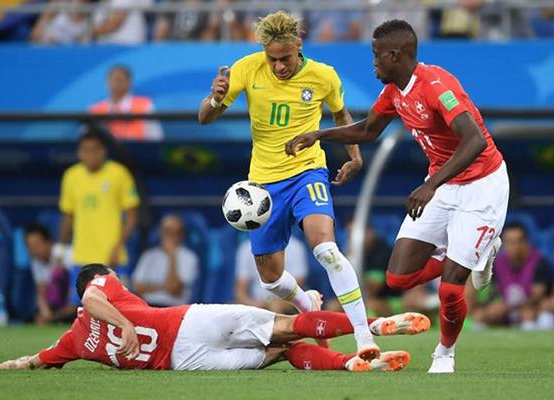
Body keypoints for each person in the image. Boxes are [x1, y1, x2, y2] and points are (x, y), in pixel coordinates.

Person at [285, 19, 509, 373]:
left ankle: (444, 354)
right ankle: (476, 254)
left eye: (376, 56)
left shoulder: (437, 85)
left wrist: (431, 185)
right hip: (443, 184)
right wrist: (318, 136)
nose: (373, 64)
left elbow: (475, 140)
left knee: (451, 290)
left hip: (482, 185)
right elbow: (368, 130)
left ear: (394, 55)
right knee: (398, 279)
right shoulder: (394, 91)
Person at [197, 10, 378, 360]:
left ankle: (364, 337)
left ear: (299, 44)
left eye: (285, 58)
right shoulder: (247, 68)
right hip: (263, 187)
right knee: (270, 278)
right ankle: (306, 303)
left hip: (308, 171)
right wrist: (215, 99)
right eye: (273, 59)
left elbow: (341, 115)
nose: (279, 66)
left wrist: (354, 156)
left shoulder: (323, 75)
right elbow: (205, 118)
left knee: (325, 249)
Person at [0, 264, 430, 372]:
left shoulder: (71, 343)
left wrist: (12, 365)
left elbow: (35, 361)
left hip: (184, 362)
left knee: (281, 352)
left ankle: (351, 364)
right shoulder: (102, 286)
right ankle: (370, 326)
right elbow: (92, 297)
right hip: (186, 323)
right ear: (101, 276)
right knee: (282, 330)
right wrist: (124, 324)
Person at [56, 130, 140, 305]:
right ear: (79, 153)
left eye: (94, 149)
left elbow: (132, 217)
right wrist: (60, 248)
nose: (90, 154)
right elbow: (68, 216)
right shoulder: (71, 176)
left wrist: (118, 247)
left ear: (103, 151)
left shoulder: (119, 173)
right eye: (85, 150)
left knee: (119, 306)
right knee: (81, 308)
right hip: (81, 256)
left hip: (113, 257)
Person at [472, 222, 553, 330]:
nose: (513, 246)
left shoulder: (539, 262)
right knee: (480, 315)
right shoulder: (497, 263)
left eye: (517, 242)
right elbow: (495, 292)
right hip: (506, 311)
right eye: (509, 242)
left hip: (531, 309)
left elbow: (536, 297)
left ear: (526, 242)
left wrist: (508, 307)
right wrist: (493, 307)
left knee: (532, 314)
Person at [131, 214, 199, 306]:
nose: (170, 235)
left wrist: (172, 255)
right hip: (148, 306)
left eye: (175, 232)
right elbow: (137, 287)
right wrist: (164, 286)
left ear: (182, 235)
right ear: (160, 232)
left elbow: (174, 289)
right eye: (167, 230)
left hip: (174, 308)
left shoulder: (190, 258)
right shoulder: (149, 255)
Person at [89, 65, 164, 141]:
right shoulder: (95, 110)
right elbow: (87, 140)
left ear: (129, 82)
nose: (116, 84)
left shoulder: (144, 106)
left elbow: (156, 138)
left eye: (119, 80)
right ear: (106, 83)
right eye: (112, 80)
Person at [235, 236, 308, 314]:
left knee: (276, 307)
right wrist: (253, 305)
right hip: (257, 304)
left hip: (287, 302)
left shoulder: (295, 246)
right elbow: (240, 291)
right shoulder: (246, 248)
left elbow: (299, 283)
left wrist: (281, 303)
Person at [24, 224, 75, 324]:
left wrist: (68, 309)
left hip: (77, 301)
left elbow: (77, 286)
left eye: (36, 245)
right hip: (59, 307)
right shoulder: (35, 261)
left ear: (48, 242)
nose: (33, 250)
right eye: (30, 246)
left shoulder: (67, 254)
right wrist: (46, 313)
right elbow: (41, 291)